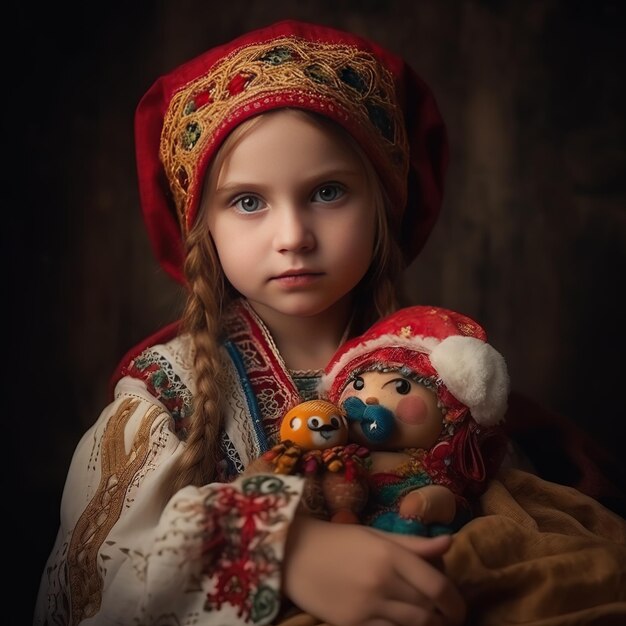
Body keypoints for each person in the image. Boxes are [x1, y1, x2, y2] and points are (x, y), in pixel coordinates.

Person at [34, 19, 466, 626]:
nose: (292, 237)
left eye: (328, 192)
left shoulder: (444, 371)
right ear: (203, 227)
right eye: (248, 201)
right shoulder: (169, 398)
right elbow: (94, 581)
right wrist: (280, 551)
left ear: (385, 206)